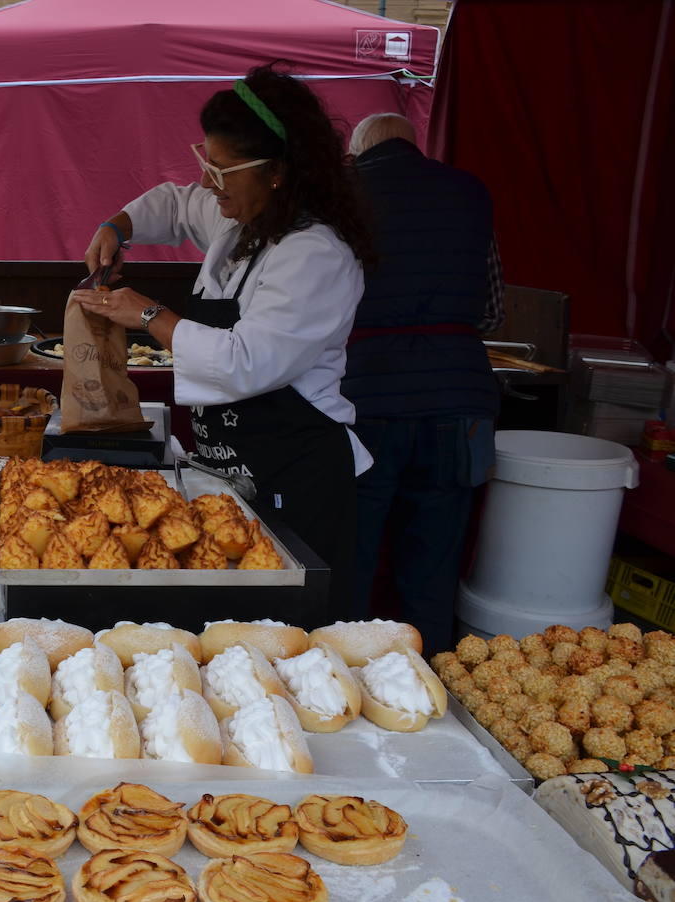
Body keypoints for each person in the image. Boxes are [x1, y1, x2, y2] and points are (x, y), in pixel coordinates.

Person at [74, 63, 376, 626]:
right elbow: (174, 201)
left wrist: (144, 312)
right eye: (206, 163)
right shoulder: (240, 222)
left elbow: (245, 363)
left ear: (278, 172)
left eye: (224, 171)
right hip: (234, 473)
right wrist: (117, 226)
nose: (210, 184)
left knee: (286, 635)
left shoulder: (316, 255)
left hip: (297, 481)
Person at [343, 113, 501, 656]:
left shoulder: (342, 196)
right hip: (459, 399)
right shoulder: (470, 192)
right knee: (434, 564)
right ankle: (431, 676)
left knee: (355, 553)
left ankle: (349, 679)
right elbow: (491, 310)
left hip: (366, 394)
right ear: (414, 145)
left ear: (358, 150)